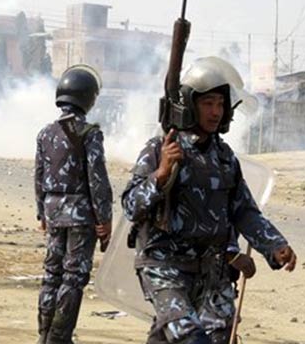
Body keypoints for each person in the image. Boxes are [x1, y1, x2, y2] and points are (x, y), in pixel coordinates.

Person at [121, 57, 297, 344]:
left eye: (221, 104)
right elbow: (131, 206)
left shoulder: (225, 158)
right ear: (191, 105)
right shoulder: (161, 149)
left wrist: (274, 245)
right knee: (190, 336)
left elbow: (244, 212)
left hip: (211, 270)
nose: (216, 112)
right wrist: (161, 174)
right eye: (208, 103)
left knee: (213, 336)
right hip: (165, 266)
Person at [34, 64, 113, 344]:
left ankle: (44, 335)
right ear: (89, 97)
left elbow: (39, 177)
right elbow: (98, 180)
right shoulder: (89, 133)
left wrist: (42, 213)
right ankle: (59, 337)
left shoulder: (45, 133)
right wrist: (105, 219)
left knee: (51, 275)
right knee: (73, 278)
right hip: (81, 217)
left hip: (53, 213)